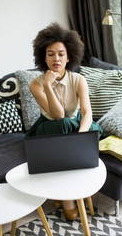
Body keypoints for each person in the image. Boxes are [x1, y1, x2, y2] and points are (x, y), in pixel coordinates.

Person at [27, 23, 102, 220]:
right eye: (50, 54)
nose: (56, 59)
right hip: (51, 125)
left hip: (75, 124)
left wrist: (81, 135)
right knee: (62, 130)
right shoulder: (35, 84)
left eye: (61, 54)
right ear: (43, 57)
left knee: (82, 138)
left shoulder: (78, 79)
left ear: (69, 57)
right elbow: (58, 115)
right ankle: (69, 200)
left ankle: (76, 191)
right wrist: (48, 86)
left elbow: (87, 112)